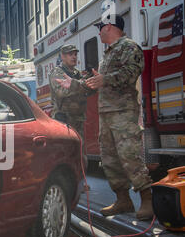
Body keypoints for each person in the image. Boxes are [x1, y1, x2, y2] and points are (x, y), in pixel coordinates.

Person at [84, 15, 154, 220]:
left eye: (101, 28)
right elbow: (101, 82)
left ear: (110, 27)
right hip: (107, 113)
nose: (98, 32)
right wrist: (78, 84)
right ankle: (123, 200)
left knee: (129, 156)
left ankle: (147, 200)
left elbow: (132, 72)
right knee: (109, 159)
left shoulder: (129, 47)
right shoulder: (108, 54)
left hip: (123, 112)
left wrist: (104, 79)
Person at [50, 44, 95, 181]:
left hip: (78, 118)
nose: (74, 57)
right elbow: (61, 91)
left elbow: (88, 90)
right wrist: (80, 84)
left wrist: (85, 83)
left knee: (80, 152)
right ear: (63, 56)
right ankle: (64, 181)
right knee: (64, 152)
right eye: (70, 54)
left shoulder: (77, 74)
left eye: (75, 54)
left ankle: (81, 181)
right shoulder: (57, 72)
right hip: (63, 119)